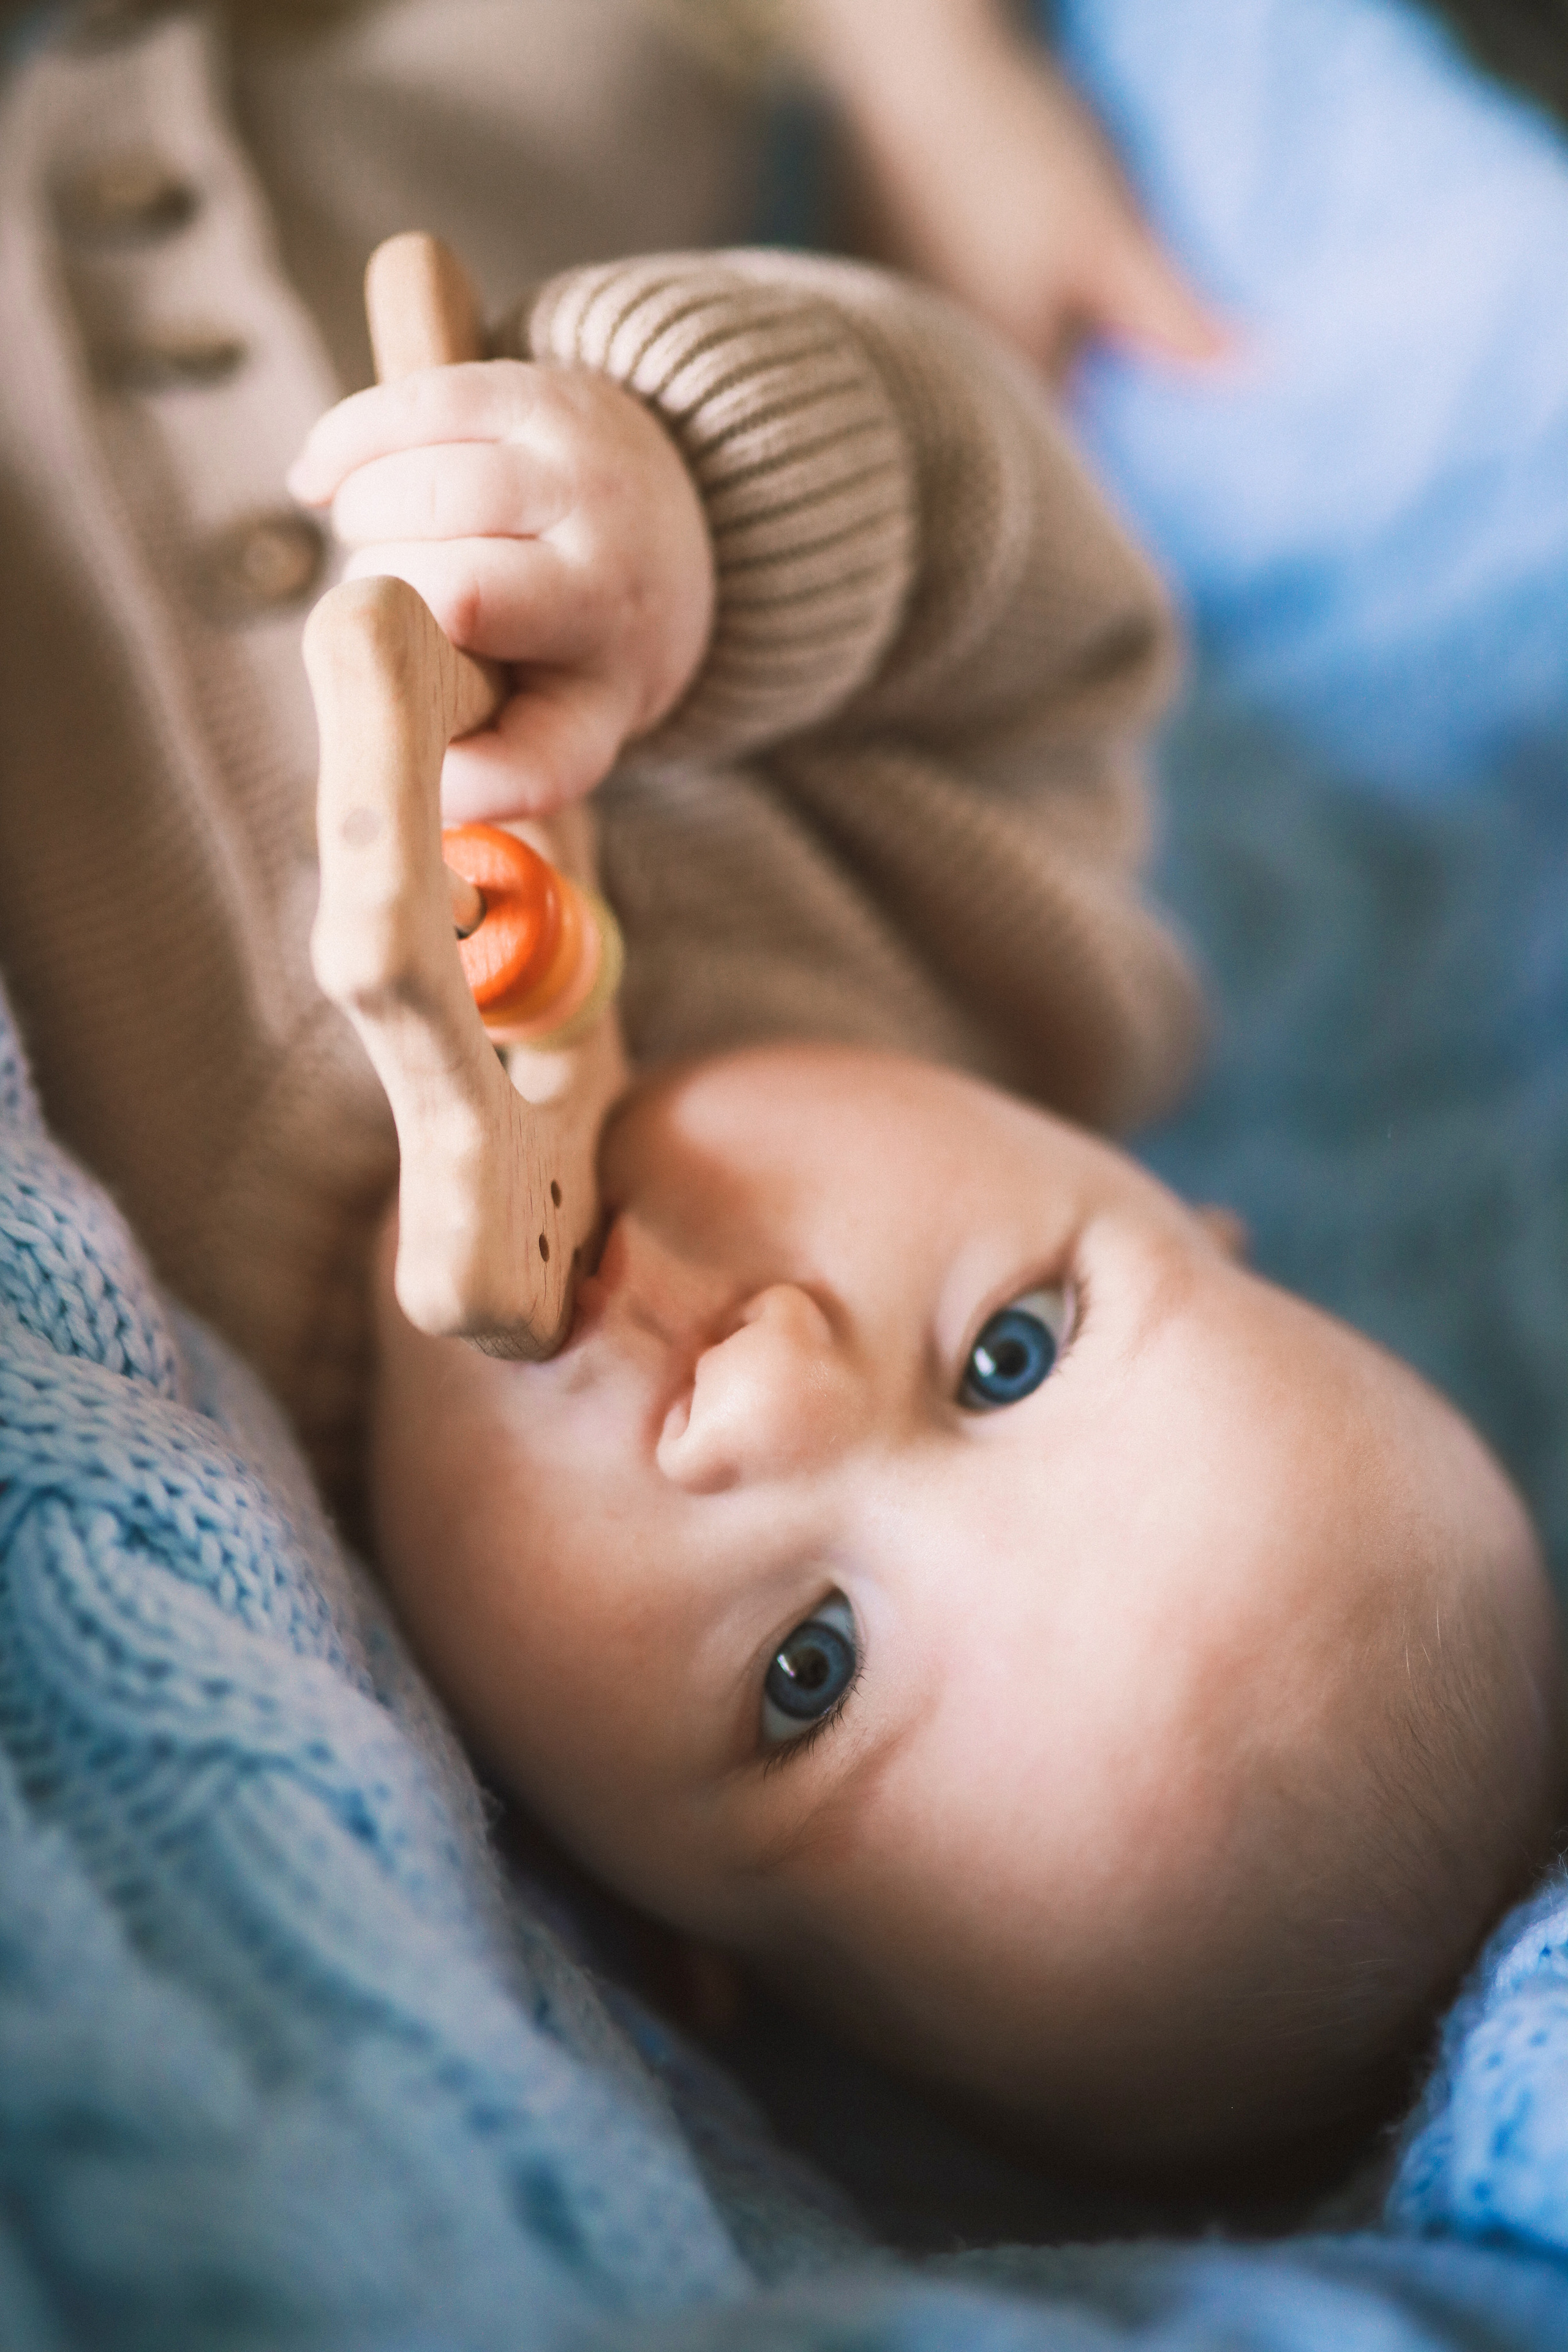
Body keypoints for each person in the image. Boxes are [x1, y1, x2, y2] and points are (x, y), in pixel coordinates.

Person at [1, 0, 1560, 2182]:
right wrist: (681, 507)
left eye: (808, 1673)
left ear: (636, 1918)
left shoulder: (184, 1414)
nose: (764, 1393)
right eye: (1010, 1350)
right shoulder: (989, 949)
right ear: (1154, 1190)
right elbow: (1011, 560)